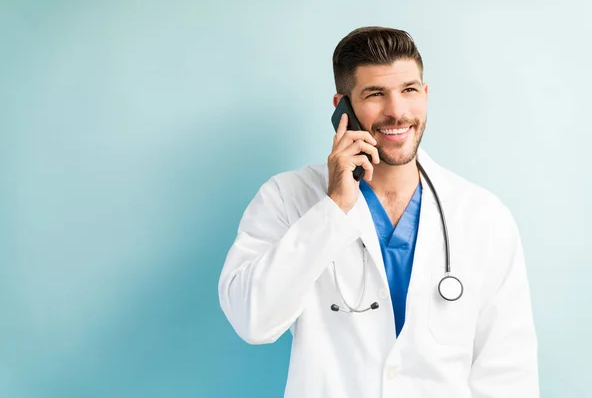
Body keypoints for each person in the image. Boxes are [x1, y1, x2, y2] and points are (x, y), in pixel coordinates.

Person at [218, 26, 539, 397]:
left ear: (426, 94)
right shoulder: (288, 197)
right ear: (343, 106)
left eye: (409, 90)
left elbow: (507, 373)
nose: (397, 111)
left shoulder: (482, 215)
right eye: (375, 94)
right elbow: (253, 321)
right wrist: (334, 208)